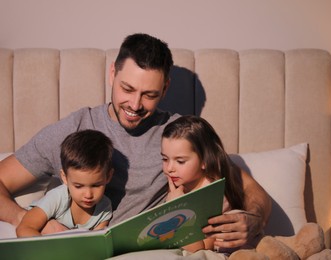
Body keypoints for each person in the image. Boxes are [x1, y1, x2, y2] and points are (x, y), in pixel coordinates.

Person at [0, 33, 271, 252]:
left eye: (149, 95)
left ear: (165, 89)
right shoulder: (75, 128)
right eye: (127, 89)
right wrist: (32, 221)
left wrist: (255, 219)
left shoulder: (177, 135)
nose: (134, 105)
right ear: (111, 75)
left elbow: (247, 186)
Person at [161, 115, 248, 254]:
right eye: (165, 159)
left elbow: (199, 250)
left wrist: (175, 209)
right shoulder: (178, 184)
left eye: (180, 161)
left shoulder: (213, 196)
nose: (170, 168)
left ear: (204, 161)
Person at [16, 129, 114, 237]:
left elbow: (98, 242)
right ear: (64, 178)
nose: (88, 194)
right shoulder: (57, 198)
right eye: (78, 186)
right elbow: (24, 228)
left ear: (108, 176)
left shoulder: (104, 208)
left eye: (96, 185)